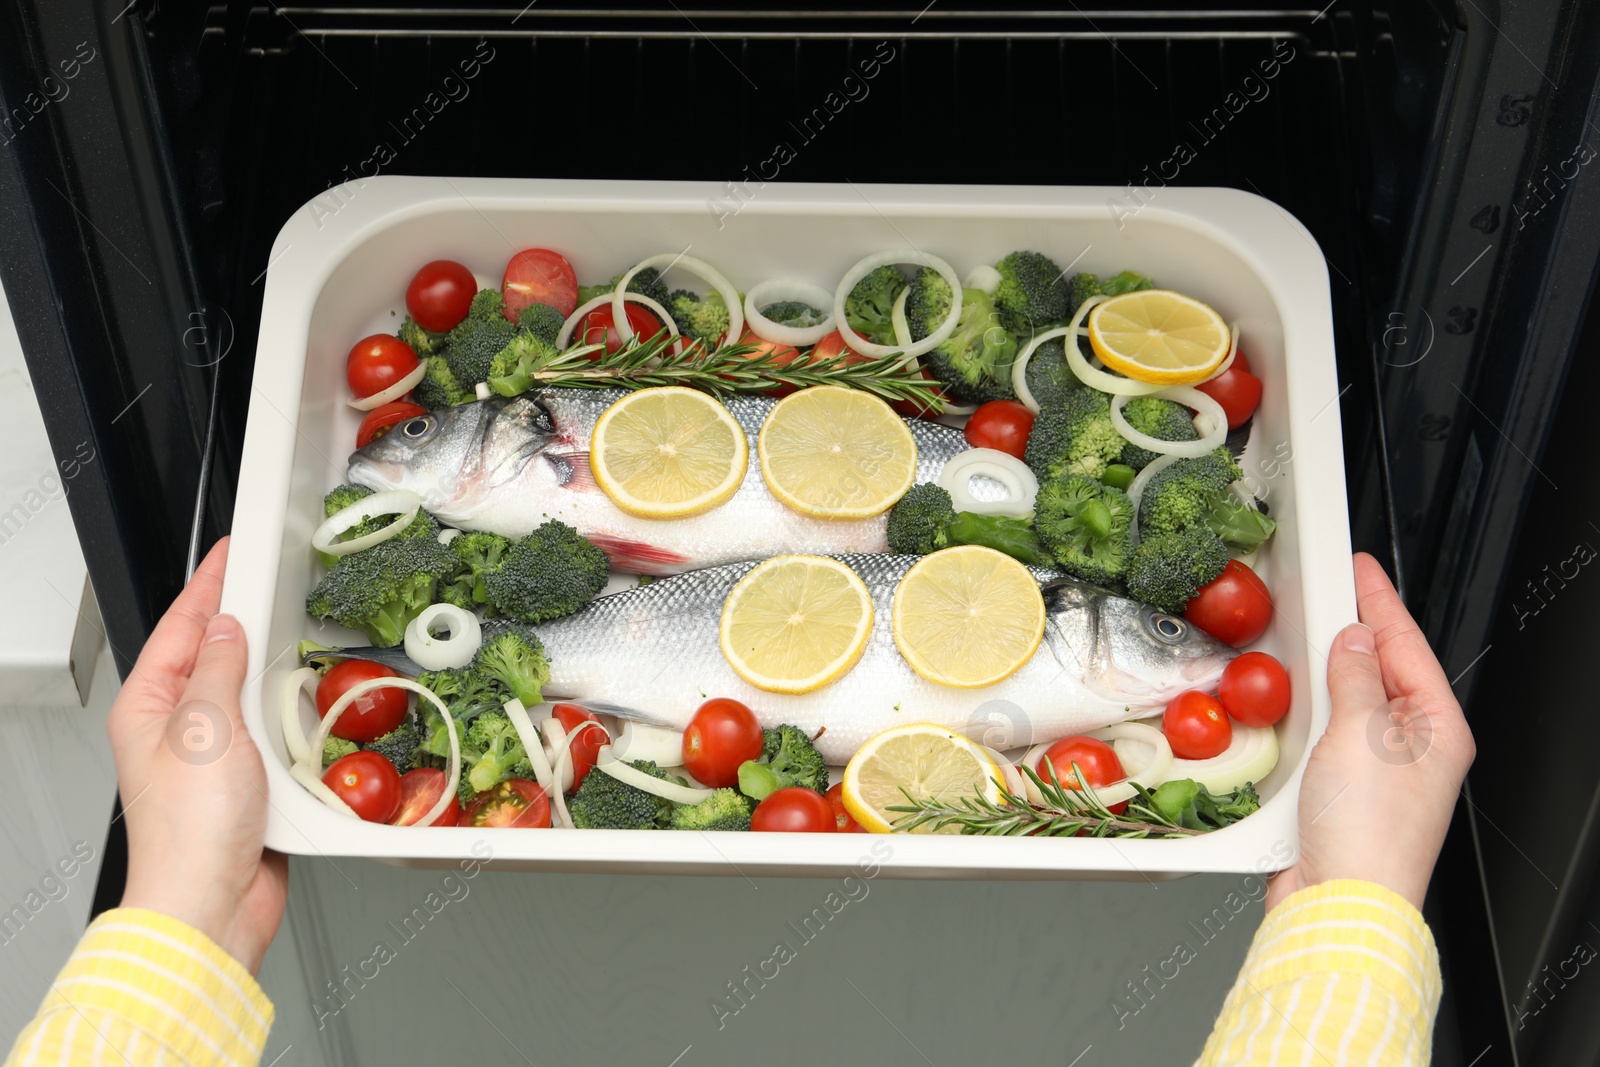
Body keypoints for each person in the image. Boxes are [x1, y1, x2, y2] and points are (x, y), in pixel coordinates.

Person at [2, 543, 1472, 1066]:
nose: (1189, 660)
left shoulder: (1077, 666)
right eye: (1160, 643)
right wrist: (1362, 909)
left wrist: (177, 908)